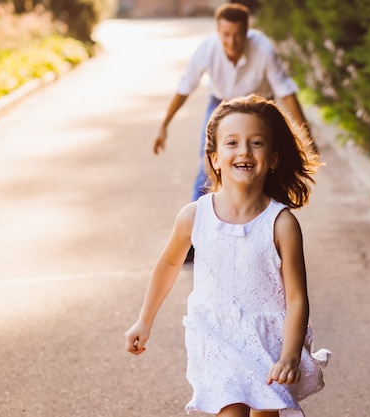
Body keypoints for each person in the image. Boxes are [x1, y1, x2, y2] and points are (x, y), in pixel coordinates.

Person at [125, 95, 329, 417]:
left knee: (265, 413)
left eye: (256, 142)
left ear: (273, 159)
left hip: (267, 343)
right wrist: (144, 320)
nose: (244, 151)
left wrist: (290, 354)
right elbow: (168, 263)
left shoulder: (281, 224)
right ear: (215, 158)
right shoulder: (194, 216)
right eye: (232, 143)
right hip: (216, 336)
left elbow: (297, 298)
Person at [153, 2, 313, 202]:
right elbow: (185, 88)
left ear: (247, 31)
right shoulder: (208, 49)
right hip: (221, 103)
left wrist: (307, 135)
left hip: (259, 106)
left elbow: (286, 92)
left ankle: (271, 215)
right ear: (218, 31)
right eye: (226, 34)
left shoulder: (263, 50)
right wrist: (164, 125)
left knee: (270, 163)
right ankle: (197, 220)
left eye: (237, 34)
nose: (231, 41)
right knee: (209, 162)